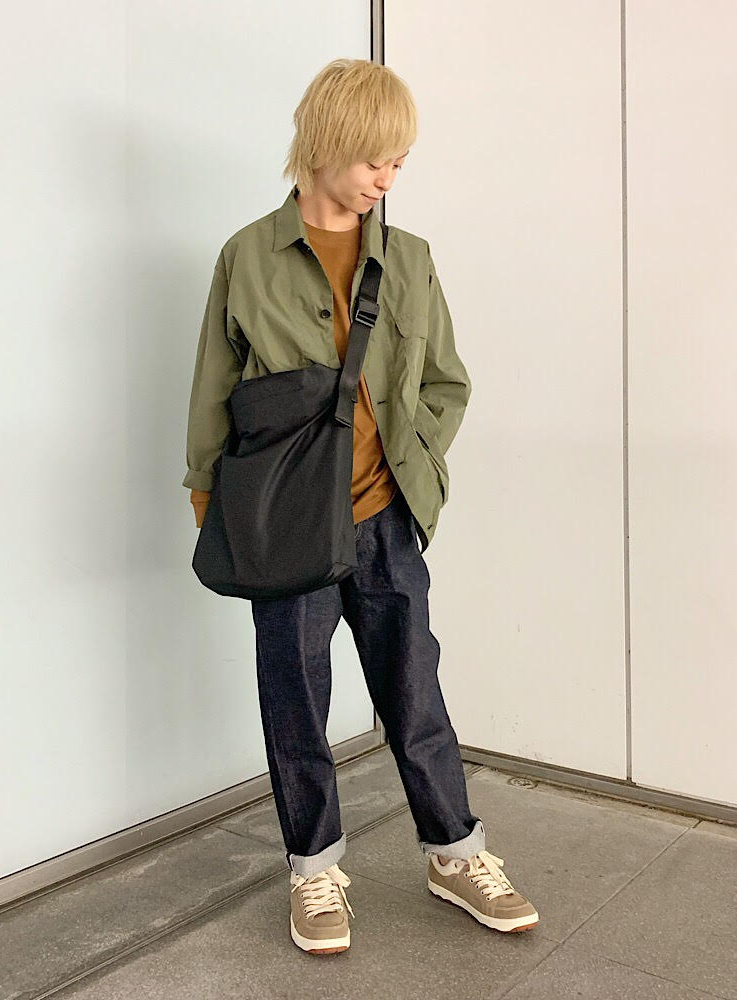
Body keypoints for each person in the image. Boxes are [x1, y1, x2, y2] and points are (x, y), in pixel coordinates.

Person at [183, 58, 538, 955]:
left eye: (401, 162)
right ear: (327, 143)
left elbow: (447, 381)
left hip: (385, 519)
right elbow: (214, 386)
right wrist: (207, 491)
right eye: (377, 158)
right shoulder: (247, 256)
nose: (390, 176)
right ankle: (314, 869)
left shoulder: (408, 259)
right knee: (295, 700)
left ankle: (456, 854)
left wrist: (419, 466)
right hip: (284, 525)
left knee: (414, 691)